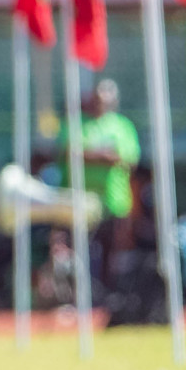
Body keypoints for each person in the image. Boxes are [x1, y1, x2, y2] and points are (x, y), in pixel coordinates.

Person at [65, 78, 141, 291]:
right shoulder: (79, 125)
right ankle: (81, 295)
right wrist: (103, 156)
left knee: (112, 254)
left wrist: (92, 155)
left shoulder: (122, 126)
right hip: (81, 202)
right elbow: (70, 153)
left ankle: (109, 296)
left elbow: (129, 158)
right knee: (81, 252)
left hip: (114, 201)